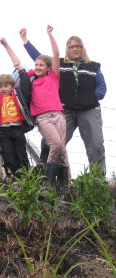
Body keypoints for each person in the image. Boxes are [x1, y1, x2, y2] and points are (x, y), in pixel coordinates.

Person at [20, 28, 107, 176]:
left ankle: (97, 181)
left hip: (88, 109)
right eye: (72, 46)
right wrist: (25, 40)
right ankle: (48, 175)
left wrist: (90, 99)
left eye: (78, 46)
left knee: (96, 145)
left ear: (82, 48)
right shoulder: (59, 64)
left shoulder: (93, 66)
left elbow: (101, 88)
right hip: (64, 110)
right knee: (52, 142)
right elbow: (38, 57)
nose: (75, 49)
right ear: (67, 49)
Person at [11, 26, 69, 190]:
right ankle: (47, 181)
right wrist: (20, 40)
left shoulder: (53, 78)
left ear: (48, 68)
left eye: (41, 65)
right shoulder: (31, 82)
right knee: (56, 145)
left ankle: (64, 186)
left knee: (62, 150)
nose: (37, 67)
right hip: (43, 118)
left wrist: (50, 34)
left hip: (58, 115)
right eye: (36, 64)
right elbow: (17, 66)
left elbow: (56, 55)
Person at [0, 38, 35, 180]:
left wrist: (21, 71)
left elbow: (26, 85)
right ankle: (13, 178)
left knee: (21, 153)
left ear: (12, 87)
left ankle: (25, 179)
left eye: (6, 86)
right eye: (0, 86)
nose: (3, 89)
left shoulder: (18, 95)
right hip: (2, 130)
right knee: (7, 153)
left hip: (17, 128)